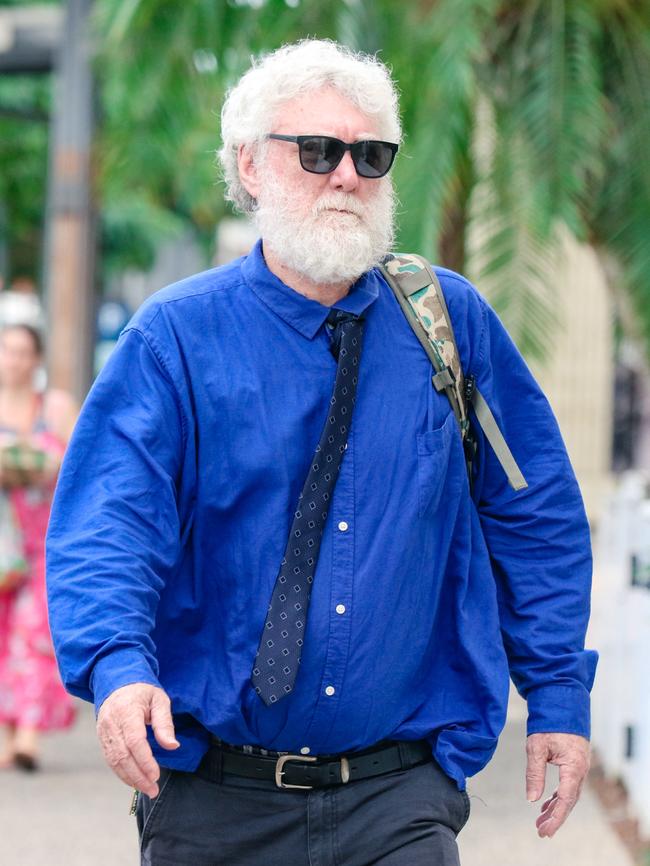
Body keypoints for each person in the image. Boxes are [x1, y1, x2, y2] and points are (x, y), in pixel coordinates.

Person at [46, 40, 597, 865]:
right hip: (212, 804)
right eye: (317, 151)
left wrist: (557, 694)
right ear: (251, 165)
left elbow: (532, 510)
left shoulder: (452, 325)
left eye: (370, 155)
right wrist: (119, 666)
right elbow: (110, 524)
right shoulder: (174, 340)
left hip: (399, 798)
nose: (347, 175)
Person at [0, 323, 78, 770]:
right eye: (7, 351)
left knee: (33, 634)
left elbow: (82, 461)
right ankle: (11, 736)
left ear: (36, 359)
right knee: (6, 632)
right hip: (5, 542)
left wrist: (44, 460)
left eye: (22, 352)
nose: (14, 360)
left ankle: (29, 735)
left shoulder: (56, 405)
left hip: (46, 540)